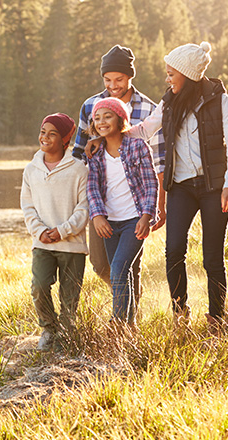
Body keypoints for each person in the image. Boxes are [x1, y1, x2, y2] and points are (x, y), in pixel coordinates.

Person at [127, 42, 228, 336]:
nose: (167, 79)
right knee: (174, 249)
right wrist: (112, 134)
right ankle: (181, 313)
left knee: (211, 257)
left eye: (171, 74)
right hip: (180, 186)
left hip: (213, 187)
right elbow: (146, 129)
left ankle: (216, 319)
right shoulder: (169, 102)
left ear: (188, 74)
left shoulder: (219, 101)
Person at [73, 44, 166, 309]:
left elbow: (158, 160)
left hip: (136, 204)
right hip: (102, 203)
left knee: (128, 264)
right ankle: (129, 301)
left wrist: (158, 207)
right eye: (107, 79)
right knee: (102, 264)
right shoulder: (91, 105)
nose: (113, 85)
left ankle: (125, 323)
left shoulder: (147, 108)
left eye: (119, 79)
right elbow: (79, 153)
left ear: (130, 77)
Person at [86, 97, 158, 326]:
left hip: (134, 221)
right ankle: (128, 327)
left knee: (119, 269)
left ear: (121, 120)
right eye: (97, 118)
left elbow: (151, 184)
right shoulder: (95, 153)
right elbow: (93, 187)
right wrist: (97, 216)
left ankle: (117, 324)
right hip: (110, 223)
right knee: (120, 272)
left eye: (107, 116)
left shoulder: (137, 147)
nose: (101, 122)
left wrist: (146, 217)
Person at [20, 113, 88, 352]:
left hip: (72, 245)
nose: (45, 137)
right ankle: (49, 329)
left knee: (70, 297)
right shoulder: (31, 170)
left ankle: (69, 336)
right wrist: (40, 232)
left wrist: (62, 231)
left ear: (65, 140)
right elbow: (27, 206)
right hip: (42, 244)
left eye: (52, 134)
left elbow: (84, 208)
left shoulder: (79, 170)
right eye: (42, 132)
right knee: (39, 286)